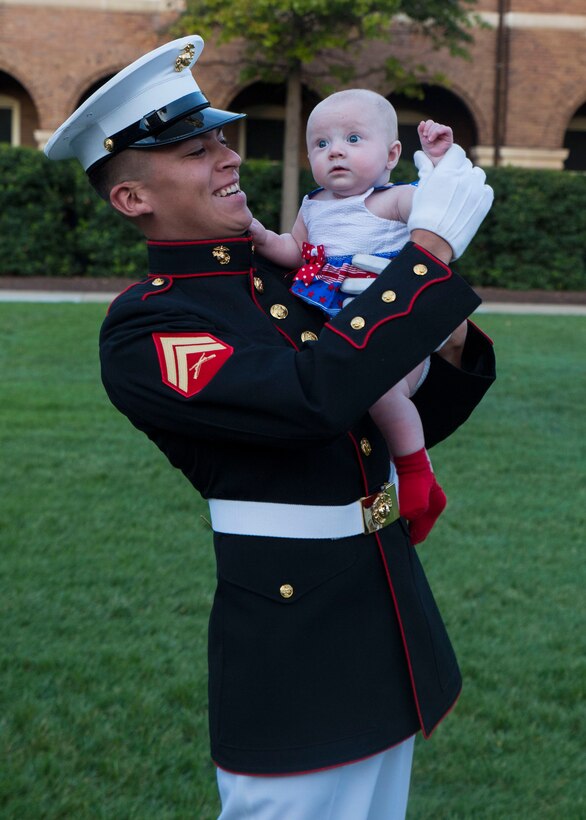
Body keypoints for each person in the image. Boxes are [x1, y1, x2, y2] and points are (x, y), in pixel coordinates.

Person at [45, 35, 495, 819]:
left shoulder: (279, 273)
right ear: (131, 199)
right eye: (194, 150)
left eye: (219, 137)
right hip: (297, 643)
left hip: (384, 609)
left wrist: (440, 323)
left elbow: (385, 420)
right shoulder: (151, 327)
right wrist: (428, 255)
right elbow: (308, 402)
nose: (226, 157)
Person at [250, 89, 461, 543]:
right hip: (335, 324)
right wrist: (259, 235)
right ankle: (408, 490)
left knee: (379, 389)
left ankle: (417, 475)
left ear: (391, 155)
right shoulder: (313, 205)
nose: (336, 151)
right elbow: (294, 251)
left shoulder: (394, 199)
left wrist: (440, 160)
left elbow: (440, 212)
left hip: (391, 327)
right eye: (321, 144)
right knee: (349, 394)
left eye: (351, 138)